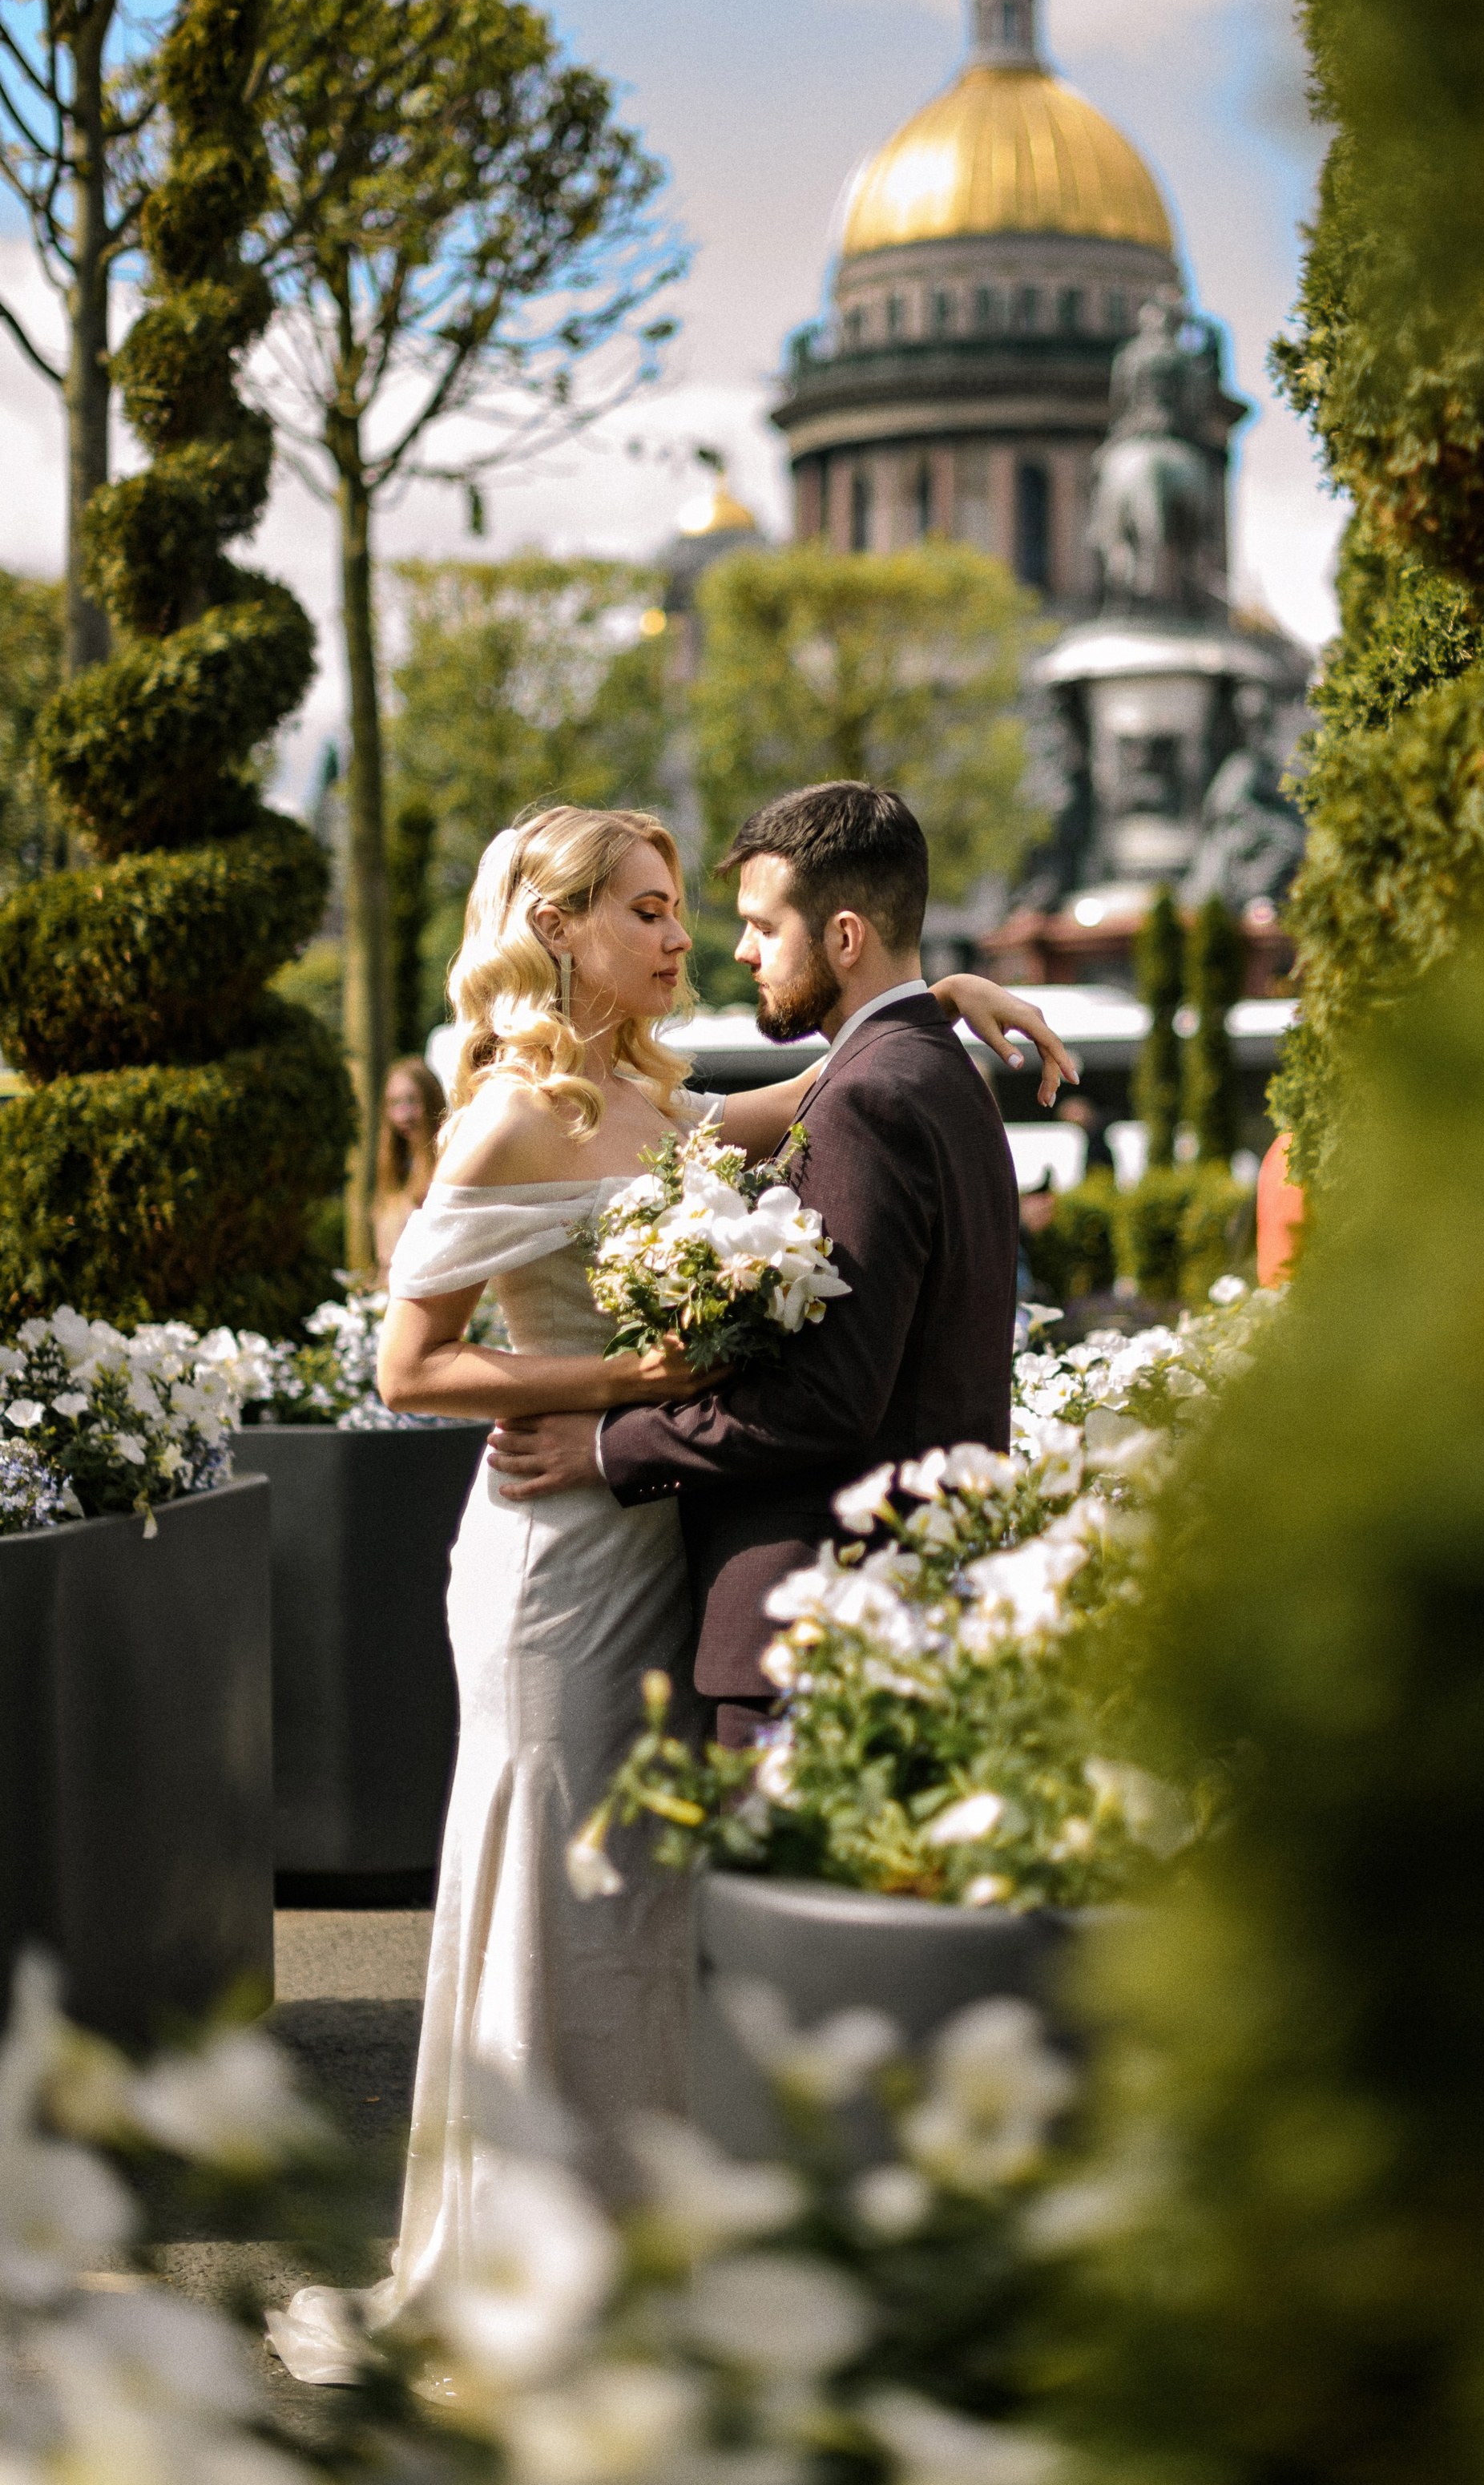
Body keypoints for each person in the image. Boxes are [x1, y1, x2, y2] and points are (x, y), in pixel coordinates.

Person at [272, 797, 1073, 2382]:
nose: (679, 936)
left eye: (682, 910)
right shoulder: (506, 1121)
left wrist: (941, 992)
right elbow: (410, 1366)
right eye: (644, 908)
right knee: (552, 1898)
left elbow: (836, 1079)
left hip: (654, 1532)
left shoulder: (656, 1100)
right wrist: (621, 1385)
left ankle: (635, 2259)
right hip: (555, 1555)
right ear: (555, 928)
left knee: (633, 1916)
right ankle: (520, 2276)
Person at [489, 782, 1022, 1754]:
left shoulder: (868, 1099)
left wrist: (607, 1449)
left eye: (763, 927)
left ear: (846, 937)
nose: (736, 951)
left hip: (815, 1625)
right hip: (898, 1607)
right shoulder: (935, 1074)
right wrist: (943, 997)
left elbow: (826, 1399)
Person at [370, 1052, 446, 1282]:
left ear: (433, 1103)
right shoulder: (395, 1172)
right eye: (395, 1103)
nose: (404, 1115)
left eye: (413, 1101)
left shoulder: (447, 1168)